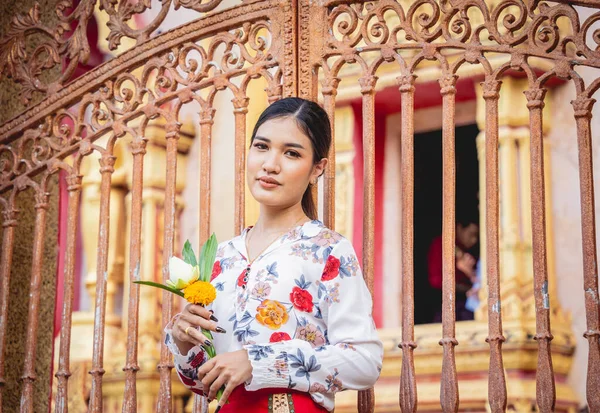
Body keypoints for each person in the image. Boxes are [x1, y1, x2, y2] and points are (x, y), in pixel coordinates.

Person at [164, 98, 383, 412]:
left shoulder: (327, 250)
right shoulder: (223, 258)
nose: (270, 164)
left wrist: (259, 362)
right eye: (262, 147)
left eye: (291, 153)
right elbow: (205, 383)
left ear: (316, 169)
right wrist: (184, 343)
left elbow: (364, 361)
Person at [427, 214, 479, 322]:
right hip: (445, 303)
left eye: (477, 236)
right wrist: (467, 287)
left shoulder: (470, 252)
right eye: (471, 234)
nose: (474, 240)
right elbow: (436, 281)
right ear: (459, 228)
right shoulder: (442, 245)